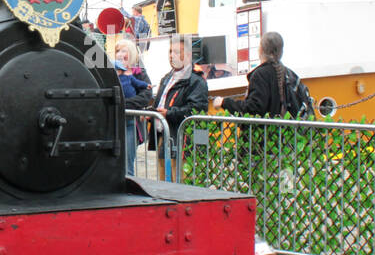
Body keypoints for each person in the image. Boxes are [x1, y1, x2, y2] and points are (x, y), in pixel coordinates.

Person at [151, 38, 208, 180]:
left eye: (176, 52)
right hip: (164, 135)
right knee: (163, 178)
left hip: (182, 138)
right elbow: (161, 103)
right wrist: (150, 112)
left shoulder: (196, 81)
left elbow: (197, 109)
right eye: (170, 51)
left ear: (188, 55)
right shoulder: (167, 78)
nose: (171, 55)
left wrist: (169, 114)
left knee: (181, 178)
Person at [211, 32, 296, 117]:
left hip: (266, 129)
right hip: (288, 129)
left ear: (261, 49)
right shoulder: (290, 74)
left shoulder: (260, 75)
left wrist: (224, 102)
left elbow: (253, 109)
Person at [114, 38, 151, 175]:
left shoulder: (139, 72)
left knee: (127, 163)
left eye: (124, 50)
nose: (120, 54)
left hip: (131, 122)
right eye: (118, 51)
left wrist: (125, 104)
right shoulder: (112, 71)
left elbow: (146, 94)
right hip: (115, 121)